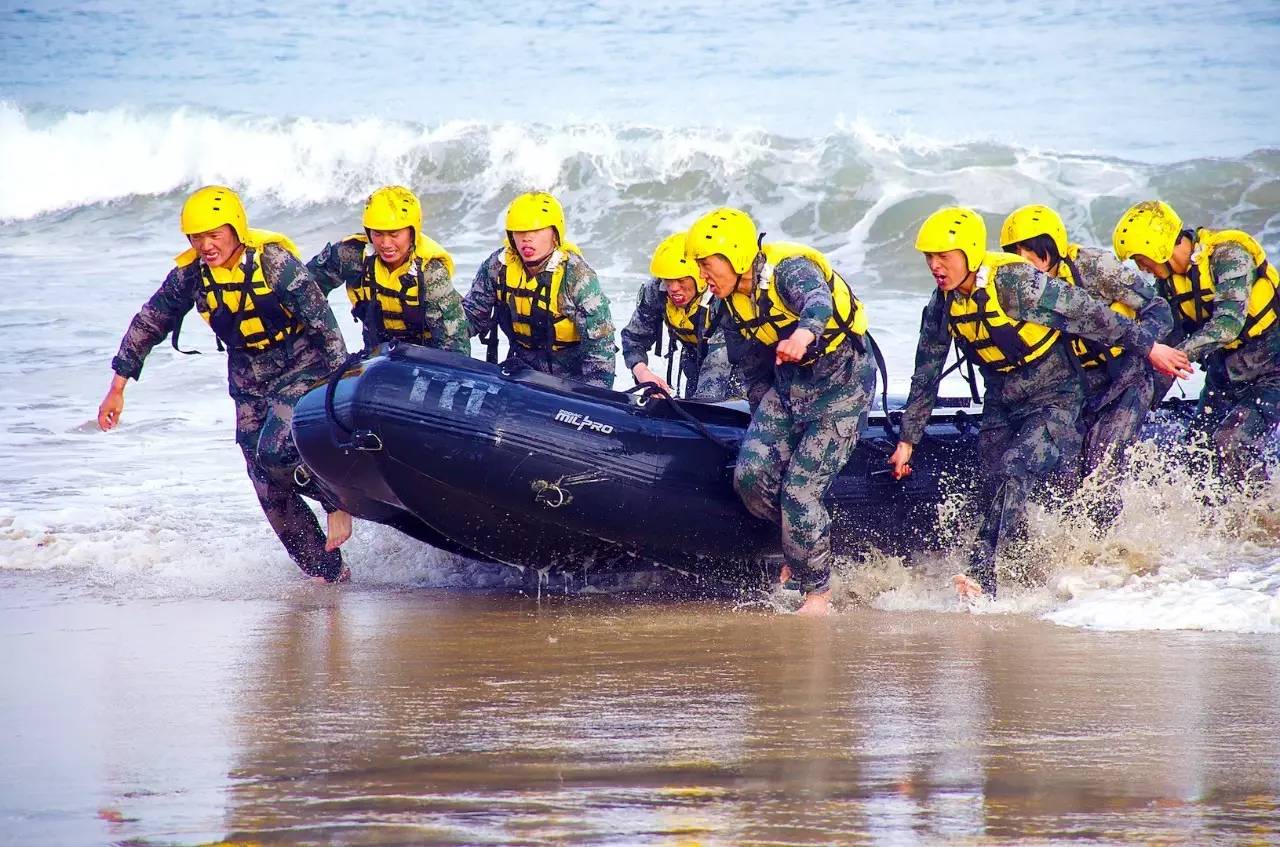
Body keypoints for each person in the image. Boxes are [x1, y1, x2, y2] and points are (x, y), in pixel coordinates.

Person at [888, 207, 1167, 599]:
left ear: (968, 251)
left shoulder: (1016, 282)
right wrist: (907, 440)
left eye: (943, 257)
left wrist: (1150, 346)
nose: (935, 266)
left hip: (1056, 397)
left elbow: (1089, 314)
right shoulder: (942, 304)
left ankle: (982, 578)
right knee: (989, 484)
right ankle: (1022, 571)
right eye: (928, 258)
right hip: (1002, 401)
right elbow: (926, 372)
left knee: (1014, 467)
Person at [96, 186, 353, 582]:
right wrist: (118, 385)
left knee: (275, 451)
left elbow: (327, 330)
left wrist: (339, 395)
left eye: (214, 235)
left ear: (235, 229)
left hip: (302, 367)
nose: (205, 245)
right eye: (197, 238)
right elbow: (150, 322)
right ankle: (326, 572)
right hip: (248, 376)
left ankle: (336, 502)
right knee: (262, 478)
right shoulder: (191, 275)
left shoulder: (274, 264)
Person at [686, 207, 874, 616]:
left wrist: (804, 334)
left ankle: (818, 594)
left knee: (799, 492)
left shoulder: (788, 270)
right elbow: (750, 368)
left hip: (843, 380)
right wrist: (769, 435)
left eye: (706, 264)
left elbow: (818, 302)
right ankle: (798, 547)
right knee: (751, 476)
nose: (703, 274)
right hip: (789, 385)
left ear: (734, 256)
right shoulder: (728, 304)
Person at [998, 204, 1185, 478]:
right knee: (1066, 468)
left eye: (1031, 250)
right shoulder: (1023, 289)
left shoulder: (1095, 266)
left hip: (1132, 369)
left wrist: (1140, 348)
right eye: (1016, 253)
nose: (1025, 260)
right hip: (1083, 382)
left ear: (1053, 246)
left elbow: (1158, 310)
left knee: (1103, 457)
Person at [1113, 200, 1280, 483]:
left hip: (1273, 371)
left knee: (1230, 442)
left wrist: (1175, 356)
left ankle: (1259, 520)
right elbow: (1163, 341)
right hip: (1225, 376)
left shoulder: (1229, 256)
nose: (1143, 268)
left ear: (1160, 246)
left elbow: (1228, 325)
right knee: (1195, 454)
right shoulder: (1168, 286)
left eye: (1142, 258)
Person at [462, 191, 616, 388]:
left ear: (555, 234)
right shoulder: (496, 266)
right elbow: (471, 319)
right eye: (520, 231)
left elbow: (601, 348)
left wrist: (594, 398)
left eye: (537, 231)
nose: (527, 239)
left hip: (571, 380)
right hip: (522, 371)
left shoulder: (577, 276)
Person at [307, 185, 469, 354]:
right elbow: (304, 289)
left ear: (412, 232)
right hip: (376, 357)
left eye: (394, 234)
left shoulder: (431, 273)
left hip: (424, 361)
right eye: (377, 234)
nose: (385, 244)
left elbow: (454, 345)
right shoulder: (351, 255)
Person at [620, 232, 741, 401]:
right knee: (691, 402)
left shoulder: (721, 297)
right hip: (693, 355)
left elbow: (718, 364)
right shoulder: (656, 289)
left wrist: (701, 407)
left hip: (736, 361)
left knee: (714, 407)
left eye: (681, 280)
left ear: (699, 277)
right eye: (668, 280)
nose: (673, 288)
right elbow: (634, 338)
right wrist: (643, 372)